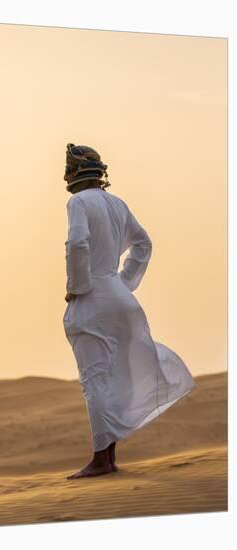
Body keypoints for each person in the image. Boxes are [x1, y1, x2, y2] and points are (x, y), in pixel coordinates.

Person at [63, 143, 197, 480]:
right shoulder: (117, 203)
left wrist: (76, 286)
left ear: (76, 171)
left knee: (94, 377)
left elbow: (77, 243)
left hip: (93, 297)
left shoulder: (78, 202)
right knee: (117, 373)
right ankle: (108, 456)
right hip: (120, 298)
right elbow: (144, 243)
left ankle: (101, 459)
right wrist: (124, 282)